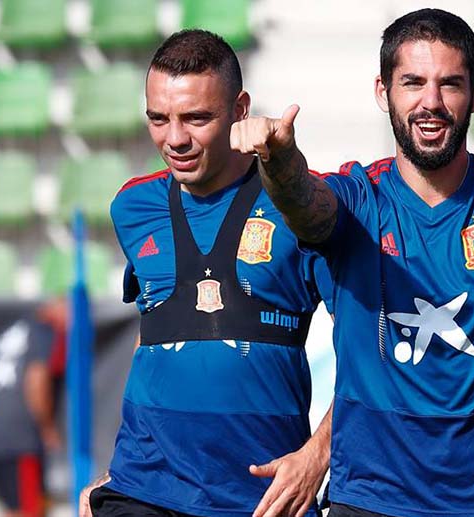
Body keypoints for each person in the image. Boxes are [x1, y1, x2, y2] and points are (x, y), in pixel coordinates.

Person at [230, 8, 474, 517]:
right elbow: (305, 202)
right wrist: (277, 161)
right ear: (382, 91)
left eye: (449, 84)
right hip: (372, 496)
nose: (430, 103)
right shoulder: (358, 199)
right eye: (412, 82)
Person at [79, 29, 333, 517]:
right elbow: (158, 323)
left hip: (261, 497)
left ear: (240, 109)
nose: (174, 139)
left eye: (196, 118)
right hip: (143, 487)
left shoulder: (305, 208)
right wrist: (118, 465)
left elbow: (373, 352)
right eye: (159, 119)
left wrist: (316, 456)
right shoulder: (132, 205)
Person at [0, 297, 68, 517]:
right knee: (31, 509)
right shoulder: (43, 332)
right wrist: (47, 427)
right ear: (57, 305)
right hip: (20, 438)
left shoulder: (9, 332)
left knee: (14, 508)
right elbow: (36, 380)